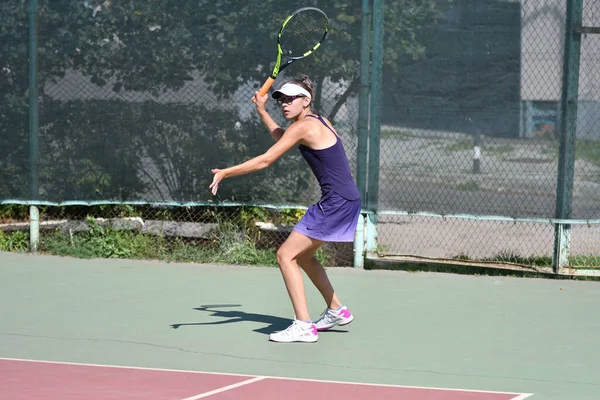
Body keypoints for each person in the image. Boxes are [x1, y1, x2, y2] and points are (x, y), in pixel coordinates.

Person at [209, 76, 361, 343]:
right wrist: (263, 111)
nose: (285, 103)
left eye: (291, 98)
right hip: (347, 199)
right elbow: (284, 138)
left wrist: (225, 172)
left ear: (307, 100)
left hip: (335, 202)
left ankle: (303, 325)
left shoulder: (303, 127)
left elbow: (267, 159)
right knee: (302, 257)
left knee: (285, 255)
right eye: (281, 99)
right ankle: (337, 309)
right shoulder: (318, 121)